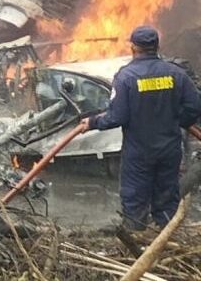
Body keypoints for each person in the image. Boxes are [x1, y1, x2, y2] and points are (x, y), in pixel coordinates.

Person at [83, 25, 201, 229]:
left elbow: (117, 117)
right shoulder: (176, 74)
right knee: (167, 199)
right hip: (169, 149)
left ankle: (136, 238)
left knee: (135, 199)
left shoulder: (126, 77)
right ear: (157, 46)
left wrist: (92, 122)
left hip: (139, 152)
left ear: (133, 47)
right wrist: (177, 120)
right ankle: (165, 238)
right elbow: (195, 106)